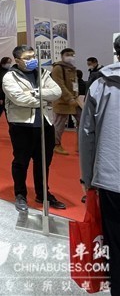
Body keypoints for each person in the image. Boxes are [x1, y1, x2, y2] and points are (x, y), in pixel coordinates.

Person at [79, 36, 120, 293]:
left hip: (110, 177)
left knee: (115, 243)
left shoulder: (100, 86)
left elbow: (86, 135)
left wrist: (87, 178)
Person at [2, 45, 65, 211]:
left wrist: (35, 93)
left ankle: (43, 193)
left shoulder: (43, 73)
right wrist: (44, 99)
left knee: (43, 162)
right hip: (22, 126)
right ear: (17, 60)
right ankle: (20, 194)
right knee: (21, 162)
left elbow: (57, 92)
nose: (32, 60)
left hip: (45, 124)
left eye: (33, 56)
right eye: (27, 58)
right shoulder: (10, 77)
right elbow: (19, 99)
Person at [51, 48, 79, 155]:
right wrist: (69, 98)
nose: (70, 57)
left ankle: (81, 145)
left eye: (72, 55)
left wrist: (75, 96)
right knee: (59, 124)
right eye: (68, 54)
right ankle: (56, 145)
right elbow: (59, 85)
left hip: (74, 100)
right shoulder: (58, 68)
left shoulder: (72, 68)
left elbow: (74, 84)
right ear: (62, 56)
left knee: (82, 121)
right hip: (62, 101)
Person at [0, 57, 13, 124]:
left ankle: (11, 128)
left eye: (10, 63)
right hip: (1, 96)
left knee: (9, 114)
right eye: (8, 62)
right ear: (3, 63)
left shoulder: (10, 71)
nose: (9, 64)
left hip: (8, 96)